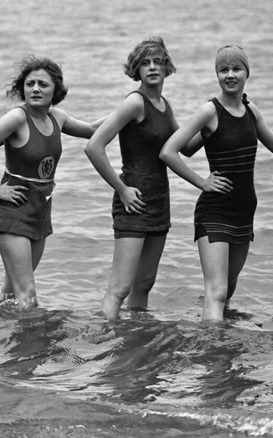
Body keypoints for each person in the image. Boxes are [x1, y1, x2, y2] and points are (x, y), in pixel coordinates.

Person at [159, 45, 273, 321]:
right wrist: (203, 182)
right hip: (214, 211)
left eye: (236, 68)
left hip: (244, 212)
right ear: (217, 75)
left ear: (247, 72)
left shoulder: (251, 111)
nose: (230, 75)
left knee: (229, 290)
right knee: (218, 291)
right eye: (223, 70)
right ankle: (212, 350)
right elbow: (168, 151)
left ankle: (220, 351)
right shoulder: (209, 111)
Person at [0, 56, 103, 310]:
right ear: (22, 89)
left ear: (56, 90)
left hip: (40, 212)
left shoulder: (57, 118)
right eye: (30, 84)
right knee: (27, 294)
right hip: (12, 212)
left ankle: (1, 338)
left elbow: (94, 130)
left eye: (43, 84)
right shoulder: (17, 118)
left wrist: (129, 107)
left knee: (11, 294)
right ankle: (32, 348)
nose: (35, 89)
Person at [85, 37, 202, 319]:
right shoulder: (135, 103)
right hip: (132, 203)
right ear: (136, 70)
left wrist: (213, 121)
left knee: (145, 284)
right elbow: (93, 146)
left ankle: (135, 341)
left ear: (167, 68)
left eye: (158, 62)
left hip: (159, 202)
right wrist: (122, 188)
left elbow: (185, 147)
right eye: (144, 63)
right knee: (120, 287)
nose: (152, 67)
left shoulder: (163, 104)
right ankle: (107, 344)